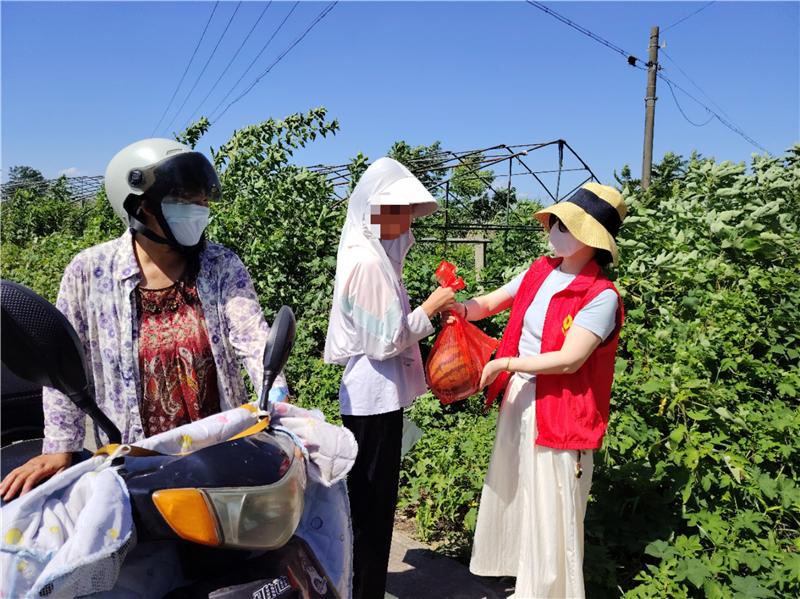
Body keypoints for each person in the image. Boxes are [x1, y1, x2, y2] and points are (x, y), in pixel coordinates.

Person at [0, 138, 288, 501]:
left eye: (201, 202)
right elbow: (63, 361)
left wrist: (278, 412)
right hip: (137, 466)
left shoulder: (220, 265)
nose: (197, 211)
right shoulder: (90, 273)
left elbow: (254, 339)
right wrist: (60, 445)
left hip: (222, 458)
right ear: (139, 206)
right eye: (183, 201)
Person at [456, 183, 626, 598]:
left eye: (562, 224)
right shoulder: (540, 271)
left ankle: (547, 592)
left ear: (590, 238)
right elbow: (493, 302)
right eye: (552, 221)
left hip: (562, 409)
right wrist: (457, 309)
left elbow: (570, 359)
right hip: (522, 399)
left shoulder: (601, 296)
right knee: (518, 489)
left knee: (553, 504)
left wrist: (506, 363)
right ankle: (525, 585)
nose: (551, 229)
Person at [324, 157, 456, 599]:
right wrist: (432, 307)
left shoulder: (375, 255)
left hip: (377, 397)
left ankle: (363, 587)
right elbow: (385, 340)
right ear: (373, 210)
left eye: (407, 212)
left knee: (373, 507)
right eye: (396, 211)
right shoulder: (366, 264)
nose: (404, 222)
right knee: (370, 511)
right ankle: (362, 590)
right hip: (371, 400)